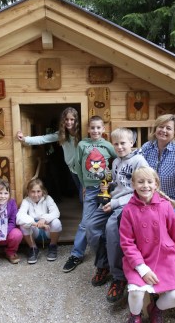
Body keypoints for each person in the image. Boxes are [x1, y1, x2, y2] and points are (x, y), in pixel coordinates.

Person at [120, 166, 175, 323]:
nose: (145, 185)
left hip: (166, 258)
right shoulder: (128, 210)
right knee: (135, 293)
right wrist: (141, 268)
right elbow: (127, 243)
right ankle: (135, 316)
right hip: (140, 259)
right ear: (133, 184)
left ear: (156, 185)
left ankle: (156, 308)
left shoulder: (165, 206)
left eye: (149, 181)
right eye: (140, 182)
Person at [86, 128, 149, 303]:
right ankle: (103, 265)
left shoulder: (139, 161)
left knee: (112, 229)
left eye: (123, 143)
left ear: (132, 143)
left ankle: (119, 277)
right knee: (91, 226)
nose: (120, 147)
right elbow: (118, 183)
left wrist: (115, 203)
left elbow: (140, 189)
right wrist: (108, 187)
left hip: (130, 204)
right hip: (114, 200)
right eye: (116, 144)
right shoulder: (116, 162)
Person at [62, 115, 117, 272]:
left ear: (103, 129)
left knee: (109, 222)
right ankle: (76, 254)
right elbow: (78, 167)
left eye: (98, 127)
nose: (95, 130)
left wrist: (111, 178)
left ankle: (107, 254)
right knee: (85, 223)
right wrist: (83, 185)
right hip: (91, 190)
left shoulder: (107, 145)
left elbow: (119, 159)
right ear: (88, 129)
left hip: (107, 189)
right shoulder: (82, 145)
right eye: (92, 127)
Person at [16, 107, 81, 200]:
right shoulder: (61, 134)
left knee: (83, 196)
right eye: (66, 119)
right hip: (72, 169)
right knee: (81, 192)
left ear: (76, 121)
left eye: (72, 119)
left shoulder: (81, 134)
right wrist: (25, 139)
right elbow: (43, 138)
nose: (69, 122)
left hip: (83, 169)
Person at [141, 114, 175, 205]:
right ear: (155, 129)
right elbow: (139, 172)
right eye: (161, 127)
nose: (163, 130)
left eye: (168, 128)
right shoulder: (147, 147)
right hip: (150, 199)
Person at [16, 178, 62, 264]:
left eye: (38, 191)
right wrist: (35, 223)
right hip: (34, 231)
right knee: (23, 224)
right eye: (33, 191)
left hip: (48, 230)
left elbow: (56, 212)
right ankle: (33, 248)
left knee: (56, 222)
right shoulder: (26, 201)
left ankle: (53, 246)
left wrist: (44, 219)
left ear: (43, 191)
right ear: (28, 192)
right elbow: (19, 216)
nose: (36, 194)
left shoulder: (48, 198)